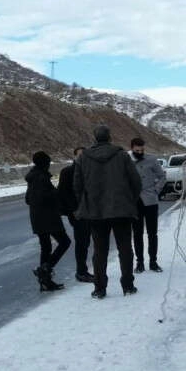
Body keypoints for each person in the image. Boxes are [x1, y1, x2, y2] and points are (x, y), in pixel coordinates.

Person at [73, 124, 142, 299]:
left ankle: (100, 288)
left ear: (95, 138)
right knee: (125, 248)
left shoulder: (83, 158)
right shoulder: (122, 156)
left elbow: (77, 186)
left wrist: (86, 202)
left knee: (99, 251)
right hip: (121, 210)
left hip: (95, 212)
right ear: (109, 137)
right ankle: (127, 285)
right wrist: (129, 201)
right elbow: (136, 182)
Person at [25, 151, 70, 292]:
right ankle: (44, 269)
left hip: (37, 218)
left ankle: (45, 282)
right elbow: (43, 197)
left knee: (46, 248)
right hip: (48, 218)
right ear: (45, 163)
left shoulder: (33, 177)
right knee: (64, 242)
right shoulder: (41, 177)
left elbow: (28, 199)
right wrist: (56, 193)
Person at [129, 137, 166, 273]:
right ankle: (140, 263)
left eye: (142, 150)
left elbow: (162, 176)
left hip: (150, 200)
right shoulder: (127, 160)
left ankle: (153, 262)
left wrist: (156, 190)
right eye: (137, 150)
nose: (140, 152)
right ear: (132, 148)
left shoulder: (151, 159)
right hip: (134, 201)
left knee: (152, 233)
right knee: (137, 234)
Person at [58, 146, 94, 283]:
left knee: (86, 242)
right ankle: (81, 272)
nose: (81, 158)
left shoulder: (89, 171)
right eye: (79, 155)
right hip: (77, 213)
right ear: (74, 156)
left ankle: (83, 270)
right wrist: (74, 210)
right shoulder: (67, 172)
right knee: (81, 242)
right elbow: (63, 193)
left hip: (89, 211)